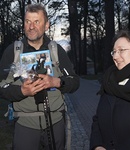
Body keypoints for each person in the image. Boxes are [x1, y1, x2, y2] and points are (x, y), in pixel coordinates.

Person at [0, 4, 79, 150]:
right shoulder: (13, 51)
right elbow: (1, 86)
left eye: (37, 21)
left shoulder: (56, 50)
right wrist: (21, 92)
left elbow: (74, 82)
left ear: (47, 25)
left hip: (55, 122)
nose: (31, 26)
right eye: (27, 21)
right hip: (25, 125)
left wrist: (57, 82)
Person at [90, 30, 130, 150]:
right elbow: (97, 119)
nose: (115, 57)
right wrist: (97, 145)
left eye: (121, 50)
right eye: (114, 52)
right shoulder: (109, 81)